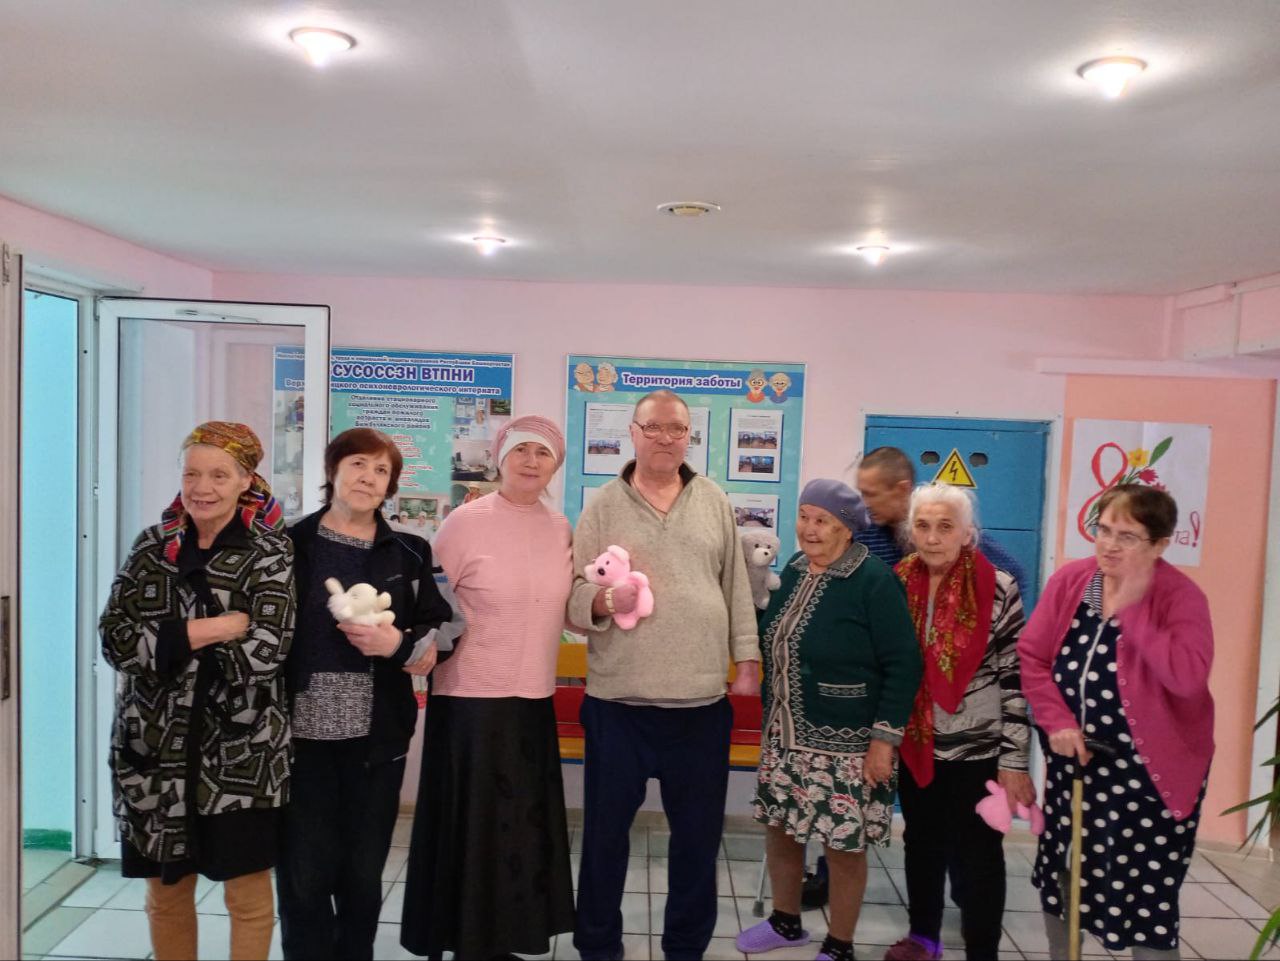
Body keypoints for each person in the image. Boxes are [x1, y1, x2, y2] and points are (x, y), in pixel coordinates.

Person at [568, 389, 760, 961]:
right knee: (604, 841)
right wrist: (604, 601)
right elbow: (573, 594)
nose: (665, 438)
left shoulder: (714, 499)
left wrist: (747, 658)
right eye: (653, 427)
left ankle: (685, 948)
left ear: (688, 437)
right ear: (632, 432)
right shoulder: (603, 505)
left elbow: (736, 587)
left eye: (677, 429)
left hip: (700, 707)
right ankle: (598, 946)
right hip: (618, 707)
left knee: (697, 844)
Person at [100, 421, 294, 961]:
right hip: (152, 751)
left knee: (247, 898)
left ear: (246, 480)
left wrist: (164, 644)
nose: (201, 487)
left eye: (218, 475)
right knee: (165, 897)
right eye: (191, 474)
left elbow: (264, 653)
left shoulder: (269, 552)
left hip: (241, 755)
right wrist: (212, 629)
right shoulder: (151, 546)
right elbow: (114, 639)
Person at [401, 415, 576, 960]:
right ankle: (467, 942)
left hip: (532, 698)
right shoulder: (464, 522)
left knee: (518, 827)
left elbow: (567, 606)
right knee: (474, 830)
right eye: (520, 450)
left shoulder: (560, 527)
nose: (531, 461)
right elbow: (429, 602)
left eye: (542, 453)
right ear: (500, 459)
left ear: (555, 466)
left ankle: (506, 940)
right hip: (470, 700)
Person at [277, 428, 453, 960]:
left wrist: (399, 645)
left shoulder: (411, 551)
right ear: (333, 470)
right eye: (358, 463)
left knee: (362, 874)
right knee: (304, 876)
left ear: (390, 486)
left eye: (381, 471)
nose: (368, 478)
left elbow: (447, 626)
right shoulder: (287, 544)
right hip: (296, 740)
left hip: (377, 742)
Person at [1018, 485, 1213, 960]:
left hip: (1150, 777)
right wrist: (1056, 721)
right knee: (1064, 876)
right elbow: (1033, 658)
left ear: (1160, 544)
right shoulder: (1073, 580)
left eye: (1126, 537)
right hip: (1076, 763)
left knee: (1145, 897)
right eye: (1103, 530)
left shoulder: (1180, 597)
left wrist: (1135, 610)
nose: (1108, 545)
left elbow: (1188, 678)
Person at [736, 480, 922, 961]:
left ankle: (840, 944)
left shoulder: (874, 580)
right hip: (785, 732)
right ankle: (785, 922)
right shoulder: (795, 569)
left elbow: (904, 663)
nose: (809, 528)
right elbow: (768, 634)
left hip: (848, 743)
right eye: (804, 517)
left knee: (843, 846)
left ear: (847, 528)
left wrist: (884, 740)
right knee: (781, 830)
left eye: (823, 521)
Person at [885, 483, 1032, 961]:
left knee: (979, 855)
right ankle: (923, 938)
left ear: (968, 533)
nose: (932, 537)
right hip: (916, 742)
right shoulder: (896, 581)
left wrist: (1014, 761)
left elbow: (1015, 679)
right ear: (910, 531)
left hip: (979, 749)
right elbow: (888, 665)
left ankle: (981, 952)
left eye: (945, 527)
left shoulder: (999, 587)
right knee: (920, 843)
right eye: (923, 526)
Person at [855, 446, 1029, 597]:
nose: (865, 503)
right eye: (922, 527)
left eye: (871, 494)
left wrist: (979, 615)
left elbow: (1014, 576)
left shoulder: (961, 536)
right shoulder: (864, 534)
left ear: (902, 489)